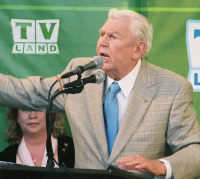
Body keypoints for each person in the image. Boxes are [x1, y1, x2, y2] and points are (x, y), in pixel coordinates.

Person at [0, 8, 199, 179]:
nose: (102, 42)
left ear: (138, 49)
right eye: (101, 34)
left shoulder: (172, 88)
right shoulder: (81, 72)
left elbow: (194, 151)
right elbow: (27, 92)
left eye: (112, 36)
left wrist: (162, 166)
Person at [0, 108, 74, 168]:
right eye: (25, 109)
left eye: (38, 108)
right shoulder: (4, 158)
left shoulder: (73, 149)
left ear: (51, 113)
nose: (32, 116)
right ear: (16, 116)